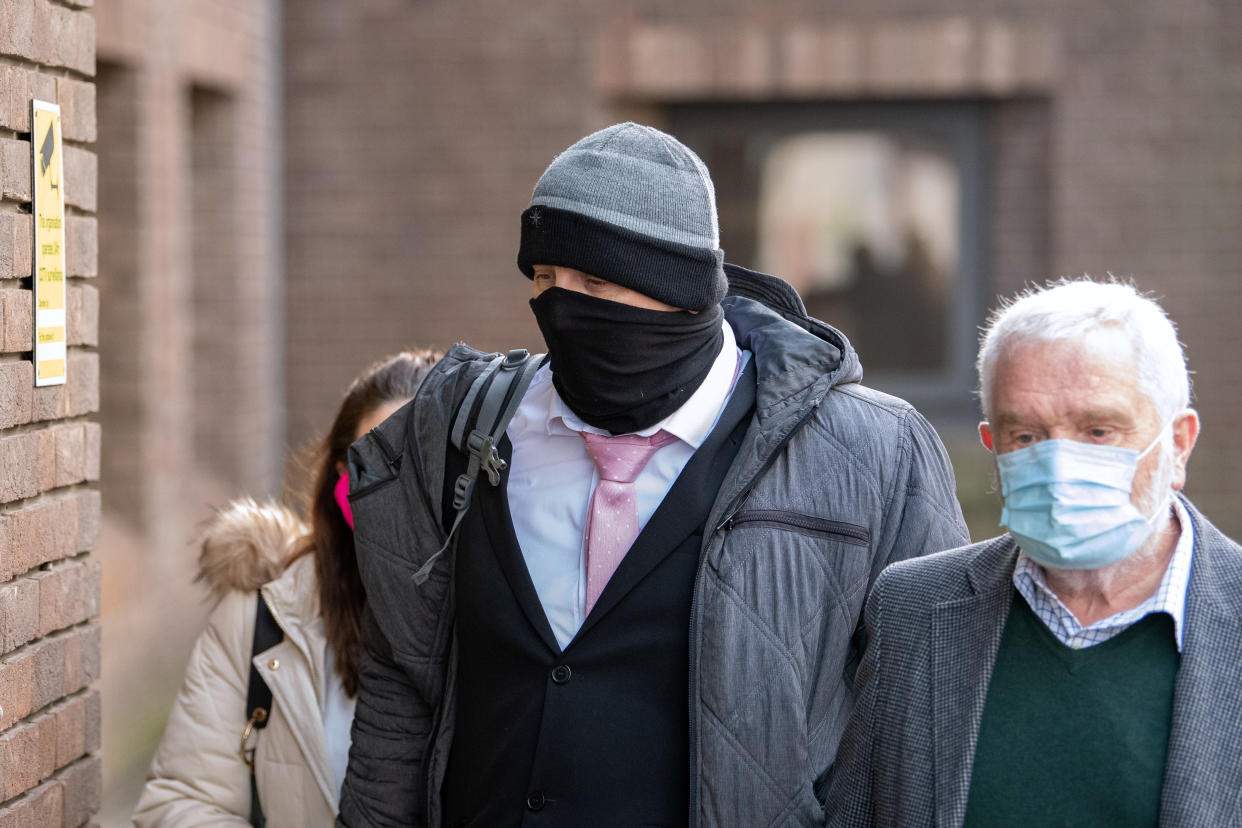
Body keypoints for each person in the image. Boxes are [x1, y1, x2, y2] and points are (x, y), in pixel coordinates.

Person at [338, 122, 968, 827]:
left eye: (594, 281)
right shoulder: (458, 431)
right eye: (544, 277)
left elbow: (924, 726)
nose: (561, 304)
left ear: (682, 290)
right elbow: (399, 694)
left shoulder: (872, 454)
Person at [826, 279, 1242, 827]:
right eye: (1025, 436)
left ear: (1179, 443)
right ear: (992, 448)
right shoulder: (912, 610)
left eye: (1097, 430)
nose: (1061, 466)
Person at [133, 350, 441, 827]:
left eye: (419, 469)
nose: (395, 497)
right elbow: (181, 802)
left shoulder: (511, 619)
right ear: (342, 479)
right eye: (376, 465)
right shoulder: (262, 613)